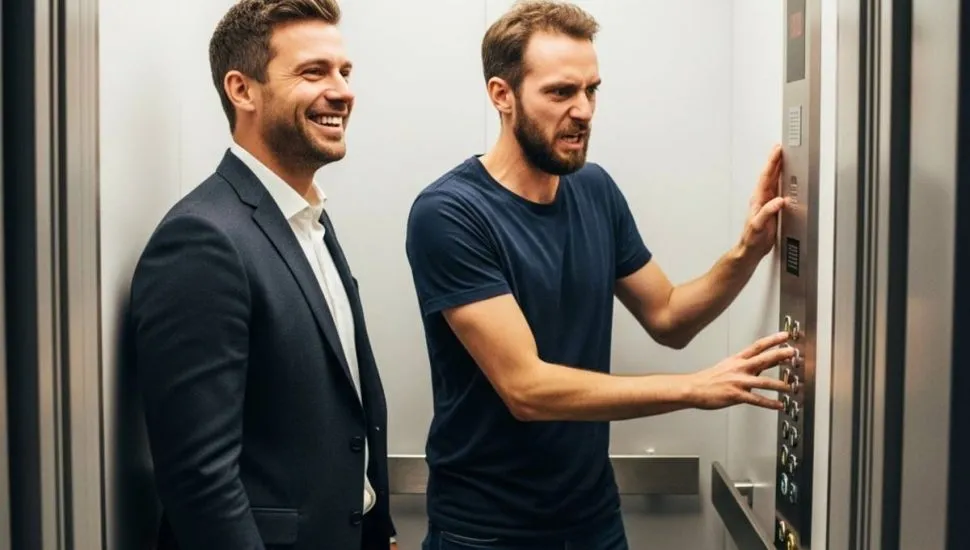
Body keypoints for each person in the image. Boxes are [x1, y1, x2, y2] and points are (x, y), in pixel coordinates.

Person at [404, 1, 796, 548]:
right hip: (487, 532)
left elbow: (668, 317)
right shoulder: (449, 214)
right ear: (502, 95)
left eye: (591, 90)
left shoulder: (595, 189)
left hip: (593, 521)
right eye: (561, 93)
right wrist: (696, 389)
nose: (584, 110)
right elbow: (527, 389)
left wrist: (748, 251)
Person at [129, 1, 397, 549]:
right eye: (313, 72)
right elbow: (200, 481)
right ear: (242, 89)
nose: (342, 91)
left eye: (344, 72)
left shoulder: (307, 220)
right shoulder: (202, 240)